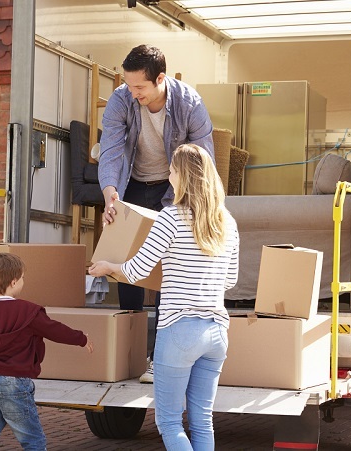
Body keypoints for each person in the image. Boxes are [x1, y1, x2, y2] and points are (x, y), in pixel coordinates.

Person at [90, 143, 239, 450]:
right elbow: (231, 280)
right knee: (202, 419)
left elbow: (137, 270)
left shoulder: (169, 219)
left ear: (181, 177)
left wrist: (108, 266)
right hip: (216, 332)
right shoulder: (228, 223)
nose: (168, 174)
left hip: (179, 330)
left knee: (169, 421)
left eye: (171, 169)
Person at [98, 44, 215, 383]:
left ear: (160, 79)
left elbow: (202, 160)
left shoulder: (189, 103)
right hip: (131, 185)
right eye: (128, 85)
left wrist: (188, 207)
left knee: (169, 269)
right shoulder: (122, 99)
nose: (132, 93)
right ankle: (130, 354)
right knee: (127, 264)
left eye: (140, 88)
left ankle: (159, 359)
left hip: (174, 189)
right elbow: (111, 150)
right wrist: (110, 193)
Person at [0, 253, 94, 451]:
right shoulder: (28, 312)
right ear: (13, 282)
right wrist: (81, 338)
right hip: (14, 381)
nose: (23, 281)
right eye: (22, 278)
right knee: (32, 440)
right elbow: (55, 330)